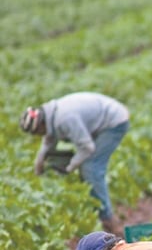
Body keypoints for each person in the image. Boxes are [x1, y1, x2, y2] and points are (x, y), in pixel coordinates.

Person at [20, 92, 129, 234]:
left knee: (91, 168)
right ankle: (98, 213)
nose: (39, 135)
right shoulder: (50, 115)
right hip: (100, 119)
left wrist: (70, 167)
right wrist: (38, 166)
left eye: (37, 132)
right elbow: (48, 141)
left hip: (115, 122)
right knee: (78, 163)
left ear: (41, 124)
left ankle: (108, 221)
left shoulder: (65, 119)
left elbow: (88, 148)